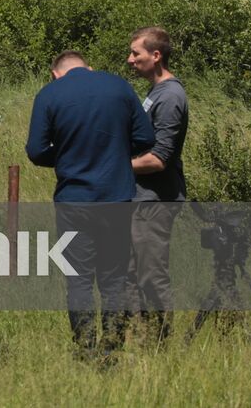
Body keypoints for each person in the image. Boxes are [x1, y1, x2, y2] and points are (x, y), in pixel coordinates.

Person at [26, 51, 154, 361]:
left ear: (55, 74)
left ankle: (85, 349)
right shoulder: (119, 86)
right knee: (114, 279)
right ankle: (112, 348)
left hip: (74, 200)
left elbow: (36, 150)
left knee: (79, 279)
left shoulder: (49, 94)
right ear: (90, 68)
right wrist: (116, 151)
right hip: (116, 197)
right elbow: (146, 137)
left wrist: (68, 155)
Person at [126, 26, 189, 342]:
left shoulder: (171, 96)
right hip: (142, 197)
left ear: (156, 55)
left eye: (135, 53)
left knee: (151, 274)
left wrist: (117, 167)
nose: (130, 59)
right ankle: (141, 338)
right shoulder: (156, 92)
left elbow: (159, 158)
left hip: (156, 199)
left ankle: (160, 343)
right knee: (132, 272)